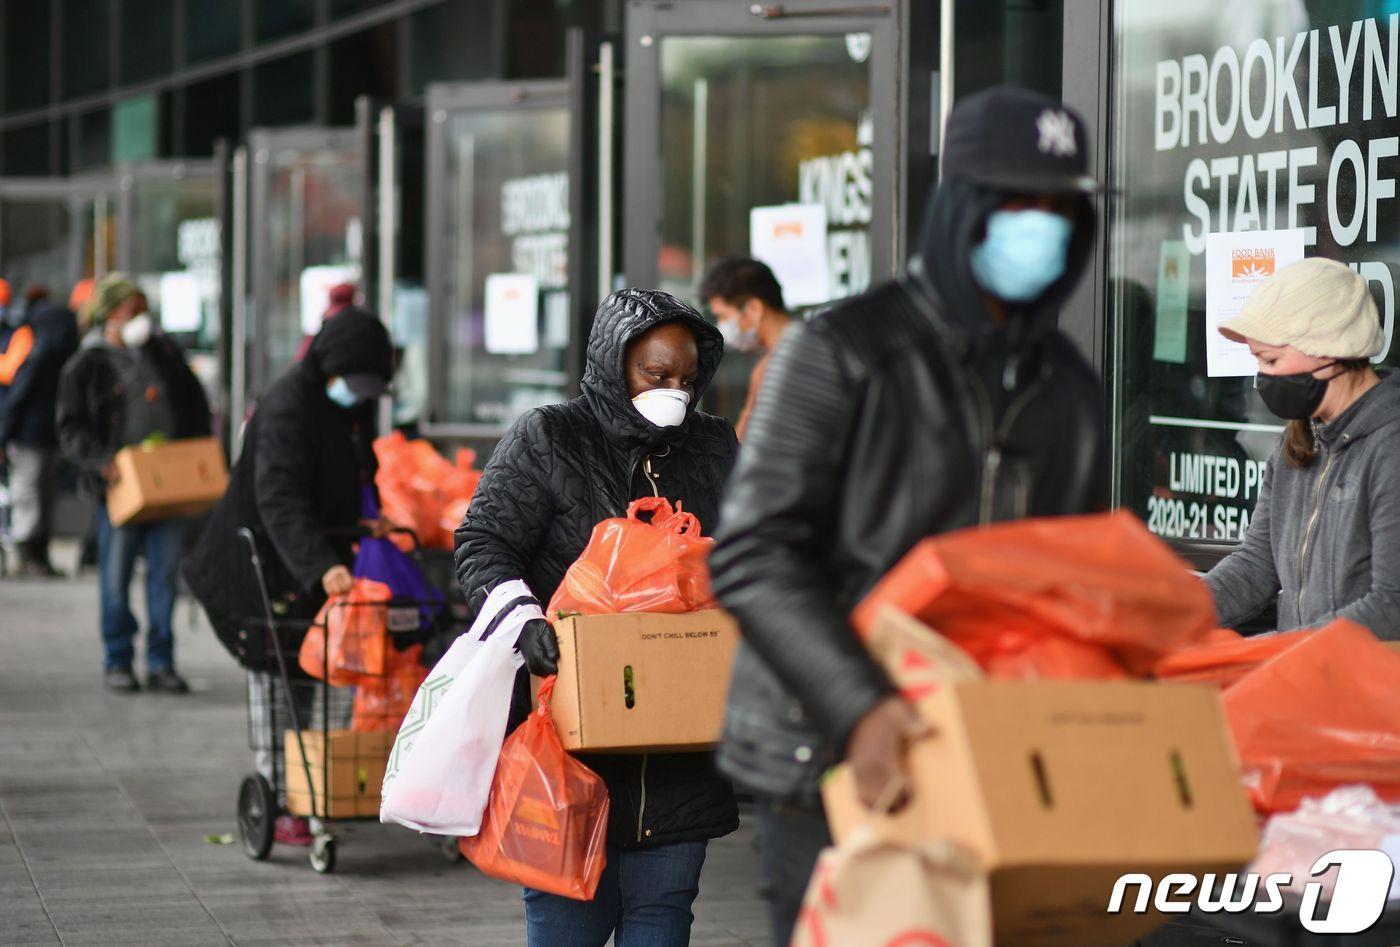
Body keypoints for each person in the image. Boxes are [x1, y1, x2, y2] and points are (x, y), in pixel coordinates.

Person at [707, 86, 1108, 945]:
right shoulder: (844, 351)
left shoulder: (1069, 388)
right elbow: (752, 553)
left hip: (992, 748)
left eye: (1059, 207)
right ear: (961, 206)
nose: (1039, 226)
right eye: (1015, 204)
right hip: (835, 753)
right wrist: (863, 706)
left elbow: (1065, 576)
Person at [455, 288, 740, 947]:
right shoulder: (551, 437)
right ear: (615, 363)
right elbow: (483, 542)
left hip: (681, 755)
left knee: (663, 917)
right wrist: (523, 622)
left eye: (687, 379)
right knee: (566, 927)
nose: (674, 390)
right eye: (656, 373)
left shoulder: (713, 448)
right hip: (570, 750)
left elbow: (754, 550)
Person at [184, 307, 395, 843]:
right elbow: (278, 497)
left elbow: (350, 467)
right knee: (276, 678)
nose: (362, 392)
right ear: (331, 365)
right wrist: (320, 565)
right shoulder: (285, 407)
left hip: (307, 564)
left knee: (312, 679)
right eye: (357, 380)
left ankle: (309, 790)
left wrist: (363, 518)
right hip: (258, 567)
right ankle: (279, 797)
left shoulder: (349, 407)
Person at [1205, 258, 1400, 638]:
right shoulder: (1297, 440)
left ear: (1327, 351)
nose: (1261, 378)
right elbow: (1257, 564)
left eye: (1271, 360)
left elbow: (1391, 604)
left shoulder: (1389, 445)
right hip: (1305, 681)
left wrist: (1280, 652)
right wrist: (1171, 613)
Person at [57, 276, 212, 693]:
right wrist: (100, 462)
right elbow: (71, 427)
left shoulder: (160, 352)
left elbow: (191, 401)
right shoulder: (87, 364)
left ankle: (162, 661)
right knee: (116, 576)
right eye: (131, 310)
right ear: (110, 313)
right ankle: (118, 659)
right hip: (121, 485)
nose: (140, 318)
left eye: (143, 309)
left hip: (166, 480)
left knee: (164, 574)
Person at [0, 284, 79, 575]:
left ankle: (25, 556)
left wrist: (4, 431)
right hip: (51, 429)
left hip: (27, 431)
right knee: (43, 494)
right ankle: (38, 556)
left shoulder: (31, 337)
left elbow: (20, 390)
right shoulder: (63, 336)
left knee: (27, 493)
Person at [699, 257, 794, 440]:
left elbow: (742, 445)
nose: (721, 325)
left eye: (723, 316)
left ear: (753, 309)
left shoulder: (778, 366)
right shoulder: (775, 362)